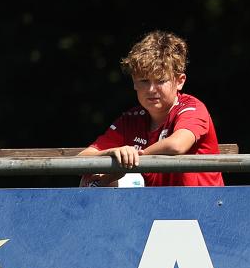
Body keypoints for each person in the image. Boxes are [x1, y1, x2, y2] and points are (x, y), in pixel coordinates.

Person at [79, 30, 223, 187]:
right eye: (144, 80)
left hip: (204, 207)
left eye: (161, 81)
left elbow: (177, 145)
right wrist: (112, 154)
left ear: (180, 81)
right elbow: (81, 161)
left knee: (123, 179)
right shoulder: (131, 119)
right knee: (91, 182)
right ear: (134, 82)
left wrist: (132, 159)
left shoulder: (192, 108)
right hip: (155, 207)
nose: (152, 89)